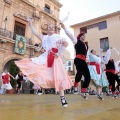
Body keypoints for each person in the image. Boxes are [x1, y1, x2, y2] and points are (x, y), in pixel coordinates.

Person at [15, 18, 73, 107]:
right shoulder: (44, 37)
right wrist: (30, 24)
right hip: (45, 57)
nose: (51, 28)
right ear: (47, 30)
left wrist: (58, 53)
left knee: (59, 77)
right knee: (36, 66)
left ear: (54, 29)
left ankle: (62, 98)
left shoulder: (57, 36)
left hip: (54, 58)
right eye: (49, 27)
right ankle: (40, 88)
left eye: (52, 27)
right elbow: (36, 33)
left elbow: (66, 43)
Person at [61, 23, 90, 99]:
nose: (84, 37)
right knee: (80, 72)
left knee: (88, 76)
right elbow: (70, 35)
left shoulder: (86, 45)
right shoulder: (76, 41)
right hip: (78, 59)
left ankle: (83, 90)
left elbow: (87, 54)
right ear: (80, 37)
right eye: (82, 35)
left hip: (84, 61)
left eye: (84, 36)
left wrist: (87, 60)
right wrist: (65, 28)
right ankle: (75, 86)